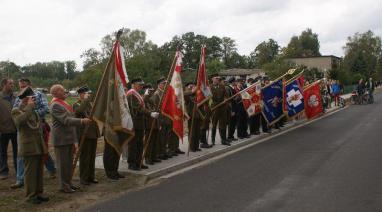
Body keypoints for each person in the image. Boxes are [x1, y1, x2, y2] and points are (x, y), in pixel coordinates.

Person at [11, 78, 54, 190]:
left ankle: (52, 169)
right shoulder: (19, 97)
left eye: (24, 86)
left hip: (38, 125)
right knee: (23, 154)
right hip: (25, 128)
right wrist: (28, 111)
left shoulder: (39, 94)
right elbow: (16, 113)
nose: (22, 88)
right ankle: (20, 179)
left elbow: (45, 108)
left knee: (42, 151)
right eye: (20, 86)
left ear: (29, 85)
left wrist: (33, 116)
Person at [50, 84, 92, 193]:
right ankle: (63, 186)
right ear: (56, 92)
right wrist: (82, 121)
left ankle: (68, 184)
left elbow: (70, 119)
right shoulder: (55, 105)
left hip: (68, 138)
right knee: (63, 164)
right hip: (61, 139)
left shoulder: (64, 103)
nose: (65, 92)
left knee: (68, 164)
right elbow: (66, 120)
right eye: (62, 90)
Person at [126, 78, 159, 171]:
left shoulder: (137, 94)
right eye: (139, 84)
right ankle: (132, 163)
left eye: (141, 85)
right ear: (133, 84)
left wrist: (146, 97)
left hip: (140, 123)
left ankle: (138, 162)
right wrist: (150, 113)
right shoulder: (131, 94)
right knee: (133, 145)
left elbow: (142, 106)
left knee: (140, 144)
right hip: (134, 123)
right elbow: (137, 109)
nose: (141, 86)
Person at [73, 86, 100, 185]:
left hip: (92, 133)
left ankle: (91, 176)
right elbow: (79, 112)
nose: (88, 95)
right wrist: (85, 100)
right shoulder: (77, 104)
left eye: (88, 94)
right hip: (84, 134)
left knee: (92, 156)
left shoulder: (89, 104)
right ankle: (84, 178)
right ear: (81, 94)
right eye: (86, 93)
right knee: (85, 157)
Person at [0, 78, 17, 180]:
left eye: (13, 84)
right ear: (3, 85)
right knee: (2, 152)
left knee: (17, 151)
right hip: (3, 129)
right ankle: (3, 171)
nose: (12, 85)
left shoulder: (16, 97)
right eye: (10, 83)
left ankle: (18, 170)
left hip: (16, 129)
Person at [143, 84, 161, 165]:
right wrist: (145, 95)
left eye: (152, 91)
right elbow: (144, 103)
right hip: (148, 124)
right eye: (149, 91)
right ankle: (147, 158)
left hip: (155, 123)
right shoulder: (143, 98)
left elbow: (155, 108)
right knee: (148, 142)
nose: (151, 92)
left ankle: (154, 157)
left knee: (155, 141)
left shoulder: (151, 99)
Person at [210, 74, 230, 146]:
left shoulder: (222, 86)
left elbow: (226, 95)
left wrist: (225, 99)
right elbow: (207, 98)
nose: (217, 79)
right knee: (214, 124)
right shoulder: (209, 87)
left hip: (222, 107)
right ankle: (213, 140)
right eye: (216, 78)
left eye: (218, 78)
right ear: (212, 79)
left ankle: (223, 140)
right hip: (214, 108)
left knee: (223, 125)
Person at [184, 82, 201, 152]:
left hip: (197, 115)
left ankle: (196, 146)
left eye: (193, 86)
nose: (192, 87)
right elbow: (185, 94)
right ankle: (191, 147)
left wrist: (195, 91)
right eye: (190, 86)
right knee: (192, 132)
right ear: (187, 87)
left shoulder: (195, 94)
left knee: (197, 132)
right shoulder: (187, 94)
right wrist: (191, 90)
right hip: (191, 115)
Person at [226, 77, 238, 142]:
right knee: (231, 123)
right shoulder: (228, 88)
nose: (236, 82)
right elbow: (229, 100)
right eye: (235, 81)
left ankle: (232, 135)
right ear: (232, 82)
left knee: (234, 123)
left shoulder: (234, 88)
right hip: (231, 108)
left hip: (235, 107)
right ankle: (229, 136)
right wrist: (231, 110)